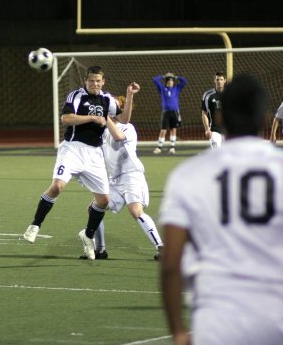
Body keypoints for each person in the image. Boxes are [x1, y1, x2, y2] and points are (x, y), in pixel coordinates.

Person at [159, 74, 283, 345]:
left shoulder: (190, 175)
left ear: (221, 117)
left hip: (221, 318)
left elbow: (170, 265)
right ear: (264, 119)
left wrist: (179, 332)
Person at [23, 66, 134, 260]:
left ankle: (88, 235)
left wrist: (129, 95)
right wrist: (92, 117)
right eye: (92, 81)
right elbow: (66, 118)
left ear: (103, 81)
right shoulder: (76, 96)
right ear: (86, 80)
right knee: (57, 186)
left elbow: (123, 119)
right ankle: (35, 225)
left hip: (94, 154)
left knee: (104, 201)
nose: (95, 84)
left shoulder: (107, 99)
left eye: (98, 81)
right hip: (73, 149)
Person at [81, 88, 164, 261]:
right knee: (94, 208)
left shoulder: (128, 127)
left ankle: (161, 247)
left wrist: (105, 117)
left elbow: (118, 137)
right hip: (114, 180)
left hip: (132, 175)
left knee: (135, 210)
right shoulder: (103, 131)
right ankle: (100, 250)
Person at [152, 73, 187, 154]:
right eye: (169, 81)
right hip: (166, 112)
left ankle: (172, 147)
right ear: (166, 82)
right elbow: (155, 79)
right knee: (163, 130)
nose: (170, 82)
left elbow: (184, 81)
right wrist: (164, 76)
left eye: (171, 81)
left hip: (175, 112)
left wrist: (176, 77)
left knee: (173, 129)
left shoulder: (176, 89)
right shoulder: (162, 88)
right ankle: (159, 147)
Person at [201, 71, 226, 148]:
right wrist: (207, 129)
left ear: (224, 80)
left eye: (221, 79)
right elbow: (204, 113)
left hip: (228, 131)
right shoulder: (208, 95)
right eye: (217, 79)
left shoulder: (230, 94)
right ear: (214, 80)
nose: (219, 81)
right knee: (216, 153)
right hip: (215, 131)